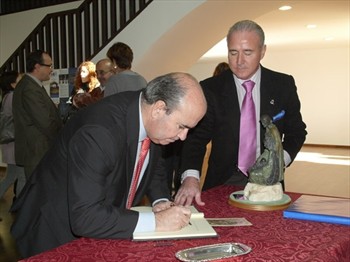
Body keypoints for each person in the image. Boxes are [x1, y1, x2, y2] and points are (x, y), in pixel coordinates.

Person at [10, 72, 207, 258]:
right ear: (159, 109)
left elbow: (152, 163)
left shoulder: (148, 114)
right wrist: (157, 222)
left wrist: (160, 201)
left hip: (95, 219)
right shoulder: (100, 132)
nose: (183, 137)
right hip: (54, 229)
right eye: (182, 126)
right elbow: (85, 218)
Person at [174, 20, 307, 206]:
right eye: (233, 52)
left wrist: (277, 163)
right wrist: (190, 177)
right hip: (222, 181)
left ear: (263, 51)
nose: (239, 61)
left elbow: (297, 132)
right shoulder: (210, 89)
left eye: (248, 52)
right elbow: (195, 140)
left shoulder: (283, 85)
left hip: (268, 185)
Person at [12, 50, 63, 179]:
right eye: (49, 66)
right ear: (37, 66)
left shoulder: (33, 85)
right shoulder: (29, 88)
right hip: (36, 150)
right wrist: (61, 138)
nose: (51, 70)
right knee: (37, 191)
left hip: (38, 150)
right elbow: (45, 122)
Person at [0, 71, 26, 200]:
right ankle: (21, 205)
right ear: (13, 84)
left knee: (11, 176)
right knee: (21, 176)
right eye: (20, 80)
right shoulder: (12, 97)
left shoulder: (7, 96)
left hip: (11, 144)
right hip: (14, 144)